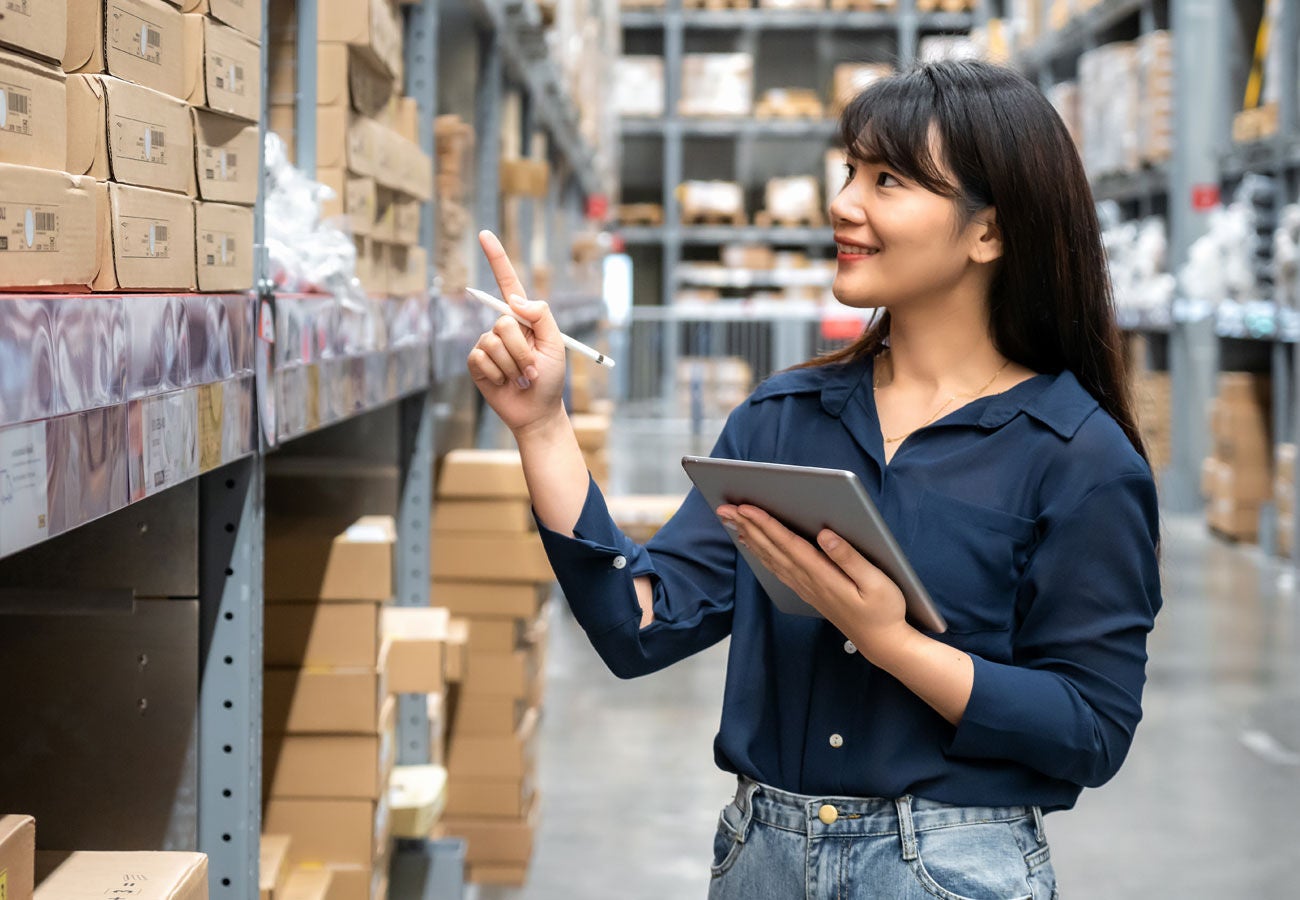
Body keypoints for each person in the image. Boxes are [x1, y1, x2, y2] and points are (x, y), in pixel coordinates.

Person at [466, 59, 1162, 900]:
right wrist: (542, 425)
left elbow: (1089, 729)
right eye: (850, 170)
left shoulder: (1077, 457)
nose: (843, 203)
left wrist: (891, 642)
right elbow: (637, 626)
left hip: (952, 871)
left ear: (989, 232)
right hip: (761, 860)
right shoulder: (785, 419)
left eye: (889, 180)